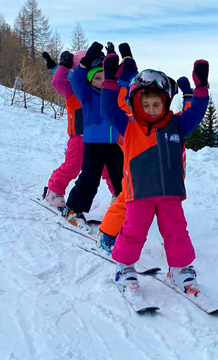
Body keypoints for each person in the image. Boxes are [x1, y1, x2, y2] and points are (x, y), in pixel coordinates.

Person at [99, 45, 209, 294]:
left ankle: (180, 269)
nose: (150, 109)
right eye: (145, 104)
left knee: (177, 233)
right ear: (136, 103)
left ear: (166, 102)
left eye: (156, 104)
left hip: (170, 194)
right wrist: (109, 80)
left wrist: (201, 89)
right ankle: (124, 267)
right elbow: (108, 109)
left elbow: (198, 112)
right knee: (132, 233)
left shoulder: (177, 124)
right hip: (139, 195)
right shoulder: (128, 127)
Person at [41, 50, 116, 211]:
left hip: (100, 139)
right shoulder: (73, 89)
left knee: (109, 168)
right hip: (78, 136)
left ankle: (118, 195)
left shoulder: (102, 90)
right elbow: (58, 81)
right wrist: (63, 65)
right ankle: (54, 190)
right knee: (73, 165)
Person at [64, 42, 123, 228]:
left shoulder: (114, 94)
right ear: (90, 81)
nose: (102, 81)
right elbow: (76, 81)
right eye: (98, 78)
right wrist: (87, 59)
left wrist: (113, 57)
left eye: (105, 77)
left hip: (115, 144)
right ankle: (73, 210)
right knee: (90, 178)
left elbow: (122, 77)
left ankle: (126, 211)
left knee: (120, 178)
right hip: (94, 144)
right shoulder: (87, 95)